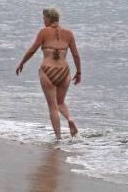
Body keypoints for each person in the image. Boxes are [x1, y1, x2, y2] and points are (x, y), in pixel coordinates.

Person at [16, 8, 81, 139]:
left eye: (44, 18)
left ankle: (58, 138)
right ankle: (69, 118)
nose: (43, 20)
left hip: (47, 70)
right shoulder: (69, 33)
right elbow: (75, 54)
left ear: (49, 19)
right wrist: (79, 72)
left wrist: (22, 63)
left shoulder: (44, 32)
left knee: (53, 107)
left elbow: (32, 50)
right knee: (61, 102)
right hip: (64, 71)